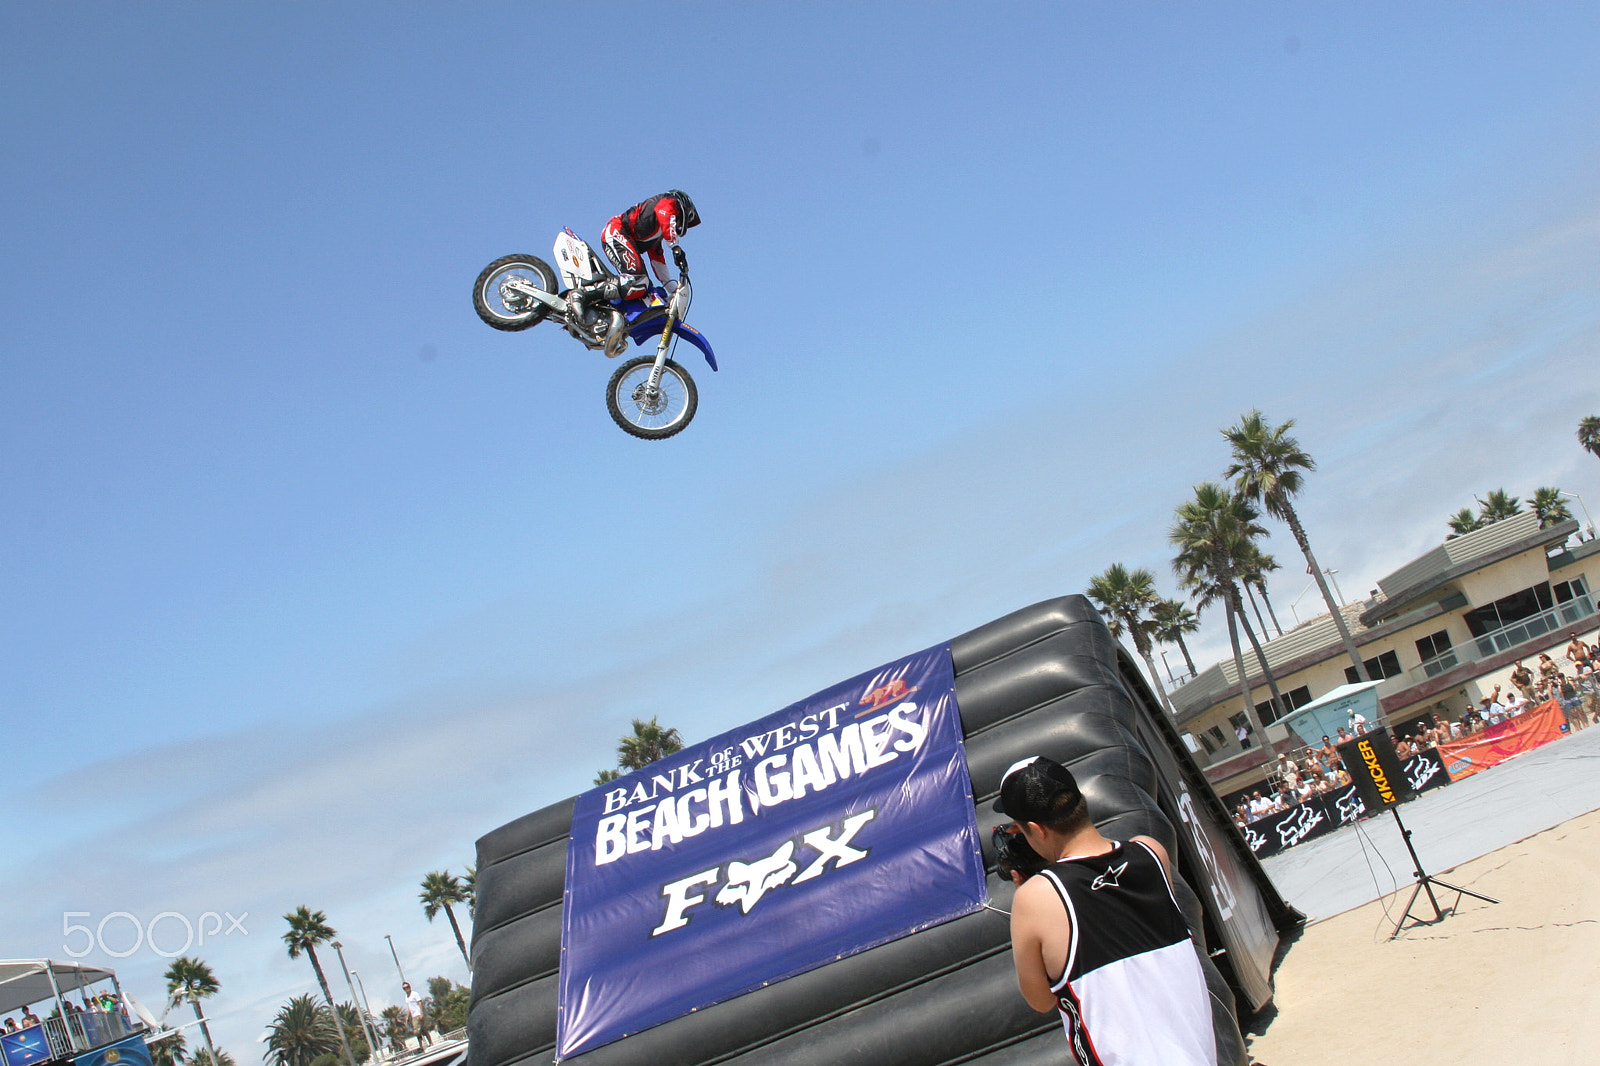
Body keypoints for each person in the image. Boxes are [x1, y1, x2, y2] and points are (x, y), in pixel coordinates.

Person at [997, 756, 1216, 1066]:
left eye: (1021, 830)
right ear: (1080, 803)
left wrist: (1028, 887)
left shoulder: (1036, 898)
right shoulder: (1151, 852)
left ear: (1036, 829)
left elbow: (1041, 999)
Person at [567, 190, 701, 324]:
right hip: (616, 231)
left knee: (647, 290)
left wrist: (674, 290)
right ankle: (582, 294)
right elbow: (667, 217)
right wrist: (675, 247)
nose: (679, 226)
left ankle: (607, 314)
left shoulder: (655, 236)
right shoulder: (669, 202)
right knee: (637, 281)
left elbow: (658, 262)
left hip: (620, 236)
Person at [403, 982, 431, 1048]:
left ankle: (424, 1044)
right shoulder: (406, 997)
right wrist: (407, 1016)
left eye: (407, 987)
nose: (406, 989)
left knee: (416, 1031)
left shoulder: (414, 994)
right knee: (423, 1030)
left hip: (418, 1014)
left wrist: (421, 1013)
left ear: (410, 987)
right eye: (404, 988)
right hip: (413, 1016)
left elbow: (420, 1003)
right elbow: (409, 1007)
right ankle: (425, 1044)